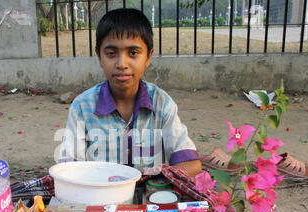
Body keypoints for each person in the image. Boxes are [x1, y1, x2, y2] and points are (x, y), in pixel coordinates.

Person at [58, 8, 202, 177]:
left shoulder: (162, 103)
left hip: (149, 198)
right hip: (101, 198)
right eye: (111, 53)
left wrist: (150, 179)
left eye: (133, 53)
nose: (122, 63)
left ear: (148, 57)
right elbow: (68, 170)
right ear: (99, 57)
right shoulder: (83, 107)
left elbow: (191, 164)